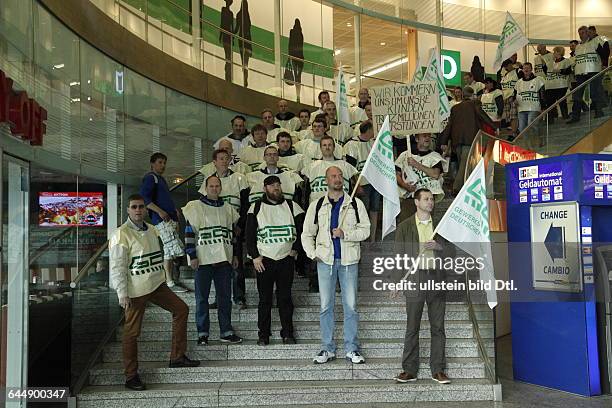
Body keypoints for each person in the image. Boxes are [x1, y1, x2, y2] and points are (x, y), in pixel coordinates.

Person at [110, 194, 199, 391]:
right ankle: (131, 376)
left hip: (157, 285)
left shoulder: (151, 230)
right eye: (134, 207)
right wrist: (122, 293)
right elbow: (117, 266)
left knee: (181, 309)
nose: (138, 210)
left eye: (141, 206)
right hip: (135, 290)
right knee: (131, 333)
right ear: (127, 209)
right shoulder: (120, 234)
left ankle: (177, 356)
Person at [301, 166, 370, 364]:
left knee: (351, 306)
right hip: (326, 261)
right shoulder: (316, 205)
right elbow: (307, 233)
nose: (337, 179)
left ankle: (352, 348)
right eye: (333, 176)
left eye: (340, 176)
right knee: (325, 306)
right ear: (326, 180)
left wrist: (345, 234)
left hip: (349, 261)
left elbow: (366, 230)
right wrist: (313, 254)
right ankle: (327, 348)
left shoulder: (355, 204)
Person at [392, 188, 453, 385]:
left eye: (432, 199)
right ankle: (409, 370)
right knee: (412, 326)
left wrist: (439, 247)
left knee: (438, 327)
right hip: (415, 278)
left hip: (436, 278)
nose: (430, 202)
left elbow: (451, 253)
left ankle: (438, 370)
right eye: (426, 199)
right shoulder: (404, 226)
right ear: (416, 202)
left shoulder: (441, 226)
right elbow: (398, 256)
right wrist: (396, 282)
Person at [183, 175, 243, 346]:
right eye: (211, 186)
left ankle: (226, 331)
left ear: (221, 188)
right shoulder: (195, 207)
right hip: (203, 261)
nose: (214, 189)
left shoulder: (228, 208)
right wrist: (192, 255)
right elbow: (189, 233)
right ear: (206, 187)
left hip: (224, 260)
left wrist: (236, 255)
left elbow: (232, 235)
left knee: (224, 297)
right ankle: (203, 333)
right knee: (202, 298)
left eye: (217, 186)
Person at [246, 175, 305, 345]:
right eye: (272, 186)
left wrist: (296, 249)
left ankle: (287, 333)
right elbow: (249, 234)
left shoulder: (292, 206)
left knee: (285, 298)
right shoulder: (255, 207)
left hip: (286, 259)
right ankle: (263, 335)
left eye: (278, 185)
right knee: (265, 299)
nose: (276, 188)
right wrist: (254, 256)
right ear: (265, 188)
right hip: (264, 260)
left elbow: (302, 231)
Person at [198, 149, 250, 308]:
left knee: (236, 262)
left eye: (227, 158)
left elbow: (246, 204)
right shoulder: (208, 181)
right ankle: (218, 298)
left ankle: (239, 296)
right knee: (216, 262)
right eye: (221, 159)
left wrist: (240, 225)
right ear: (214, 162)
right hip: (216, 229)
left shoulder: (239, 178)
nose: (224, 161)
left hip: (234, 227)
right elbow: (203, 205)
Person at [140, 153, 186, 293]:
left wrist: (174, 211)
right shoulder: (150, 178)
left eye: (164, 162)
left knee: (169, 250)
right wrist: (159, 211)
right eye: (160, 162)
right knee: (172, 248)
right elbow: (144, 198)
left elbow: (164, 198)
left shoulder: (161, 179)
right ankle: (170, 280)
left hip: (169, 217)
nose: (163, 165)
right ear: (152, 163)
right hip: (162, 219)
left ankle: (170, 280)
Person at [439, 87, 494, 193]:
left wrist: (444, 141)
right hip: (470, 140)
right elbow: (482, 115)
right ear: (472, 95)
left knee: (463, 164)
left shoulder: (455, 108)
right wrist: (495, 126)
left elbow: (449, 125)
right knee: (464, 165)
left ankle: (465, 190)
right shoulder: (475, 103)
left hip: (457, 142)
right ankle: (456, 188)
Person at [395, 134, 447, 220]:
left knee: (426, 226)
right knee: (407, 226)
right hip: (409, 198)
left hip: (427, 199)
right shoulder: (405, 155)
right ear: (416, 139)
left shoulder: (435, 156)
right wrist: (404, 185)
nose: (427, 138)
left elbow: (435, 174)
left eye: (429, 136)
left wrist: (416, 164)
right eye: (424, 135)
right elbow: (396, 174)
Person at [344, 121, 380, 241]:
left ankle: (373, 238)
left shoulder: (374, 143)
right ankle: (362, 238)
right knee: (362, 211)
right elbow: (350, 168)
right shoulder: (352, 145)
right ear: (369, 130)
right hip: (362, 184)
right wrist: (356, 185)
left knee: (375, 209)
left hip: (374, 182)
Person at [567, 25, 608, 123]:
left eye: (583, 33)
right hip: (580, 73)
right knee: (577, 95)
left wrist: (605, 63)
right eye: (579, 33)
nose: (581, 35)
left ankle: (599, 111)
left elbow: (605, 50)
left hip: (594, 70)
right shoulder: (578, 47)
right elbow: (575, 60)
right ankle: (575, 116)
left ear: (588, 32)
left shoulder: (596, 41)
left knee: (595, 92)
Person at [301, 135, 358, 204]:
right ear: (321, 148)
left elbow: (352, 190)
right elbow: (306, 193)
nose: (327, 147)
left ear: (334, 147)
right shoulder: (311, 167)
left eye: (330, 145)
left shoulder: (345, 166)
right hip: (318, 207)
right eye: (324, 145)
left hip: (341, 206)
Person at [514, 62, 546, 133]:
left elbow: (542, 94)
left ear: (531, 69)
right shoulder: (518, 82)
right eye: (524, 68)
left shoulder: (539, 80)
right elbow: (515, 95)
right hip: (521, 109)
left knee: (532, 126)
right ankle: (526, 143)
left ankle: (535, 142)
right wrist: (514, 100)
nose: (526, 69)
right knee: (522, 129)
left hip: (534, 108)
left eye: (528, 68)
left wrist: (543, 107)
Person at [545, 46, 571, 122]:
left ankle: (565, 117)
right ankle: (550, 120)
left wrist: (560, 71)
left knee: (562, 102)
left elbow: (569, 71)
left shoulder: (566, 61)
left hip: (561, 85)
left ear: (559, 52)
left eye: (554, 52)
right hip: (550, 86)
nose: (553, 54)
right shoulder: (551, 63)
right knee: (550, 104)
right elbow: (546, 70)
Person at [500, 59, 523, 137]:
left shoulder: (518, 71)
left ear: (510, 64)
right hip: (505, 97)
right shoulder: (505, 75)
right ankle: (513, 131)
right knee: (508, 117)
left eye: (507, 66)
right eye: (505, 67)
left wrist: (516, 96)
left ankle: (514, 132)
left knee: (514, 115)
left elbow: (522, 83)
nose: (506, 68)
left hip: (513, 96)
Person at [235, 0, 252, 87]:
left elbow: (237, 28)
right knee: (246, 62)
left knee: (243, 61)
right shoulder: (247, 15)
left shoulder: (239, 14)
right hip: (247, 39)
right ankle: (245, 79)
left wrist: (232, 35)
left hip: (242, 39)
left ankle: (244, 78)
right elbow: (249, 30)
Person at [287, 18, 304, 102]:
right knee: (298, 76)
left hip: (293, 56)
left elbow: (290, 44)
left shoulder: (291, 32)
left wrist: (289, 55)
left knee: (294, 73)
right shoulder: (301, 34)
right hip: (301, 57)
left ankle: (297, 95)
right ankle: (298, 95)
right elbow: (301, 46)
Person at [219, 0, 234, 82]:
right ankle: (227, 73)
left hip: (228, 35)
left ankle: (228, 73)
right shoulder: (224, 10)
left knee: (228, 55)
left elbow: (231, 25)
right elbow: (222, 22)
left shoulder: (229, 12)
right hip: (226, 34)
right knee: (227, 55)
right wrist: (221, 35)